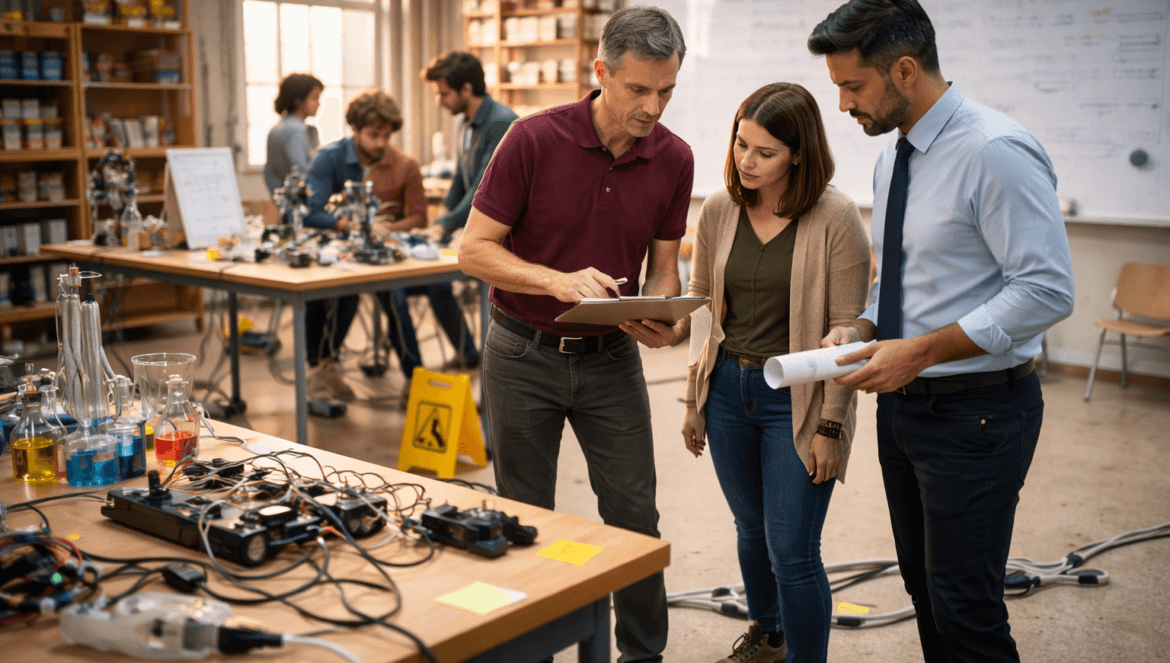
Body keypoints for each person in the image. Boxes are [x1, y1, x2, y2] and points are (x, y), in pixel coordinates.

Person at [808, 1, 1075, 661]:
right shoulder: (893, 158)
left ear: (903, 70)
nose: (841, 103)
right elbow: (901, 272)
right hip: (904, 410)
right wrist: (863, 324)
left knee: (966, 607)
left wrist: (921, 350)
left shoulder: (994, 151)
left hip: (977, 414)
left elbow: (1046, 289)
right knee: (928, 592)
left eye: (852, 85)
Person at [458, 6, 691, 662]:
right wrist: (552, 280)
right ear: (601, 73)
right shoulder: (533, 139)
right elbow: (473, 251)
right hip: (520, 350)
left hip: (611, 356)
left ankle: (643, 652)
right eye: (639, 90)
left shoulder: (674, 158)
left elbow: (667, 269)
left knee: (635, 515)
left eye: (667, 90)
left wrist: (665, 315)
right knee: (525, 514)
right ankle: (527, 649)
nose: (654, 107)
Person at [680, 83, 870, 663]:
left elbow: (849, 333)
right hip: (727, 392)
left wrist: (832, 427)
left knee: (792, 549)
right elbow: (701, 305)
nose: (746, 160)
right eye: (741, 144)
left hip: (799, 397)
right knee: (751, 533)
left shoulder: (836, 217)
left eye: (764, 151)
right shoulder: (719, 207)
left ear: (798, 153)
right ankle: (768, 638)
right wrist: (693, 399)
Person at [302, 89, 424, 402]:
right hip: (337, 252)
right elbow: (311, 213)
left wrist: (383, 230)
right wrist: (348, 225)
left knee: (395, 296)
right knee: (340, 294)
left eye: (386, 135)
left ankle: (415, 375)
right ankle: (323, 366)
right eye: (373, 135)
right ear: (354, 129)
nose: (381, 143)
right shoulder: (329, 158)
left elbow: (417, 216)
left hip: (377, 251)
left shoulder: (400, 163)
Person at [265, 73, 323, 195]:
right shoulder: (296, 130)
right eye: (314, 98)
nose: (319, 104)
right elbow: (301, 172)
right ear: (298, 101)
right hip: (300, 201)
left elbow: (269, 173)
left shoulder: (277, 128)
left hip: (283, 199)